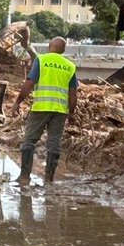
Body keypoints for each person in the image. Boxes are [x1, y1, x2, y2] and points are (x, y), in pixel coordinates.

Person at [10, 36, 78, 185]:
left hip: (41, 108)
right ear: (63, 50)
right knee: (54, 143)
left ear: (49, 46)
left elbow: (30, 82)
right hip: (60, 111)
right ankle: (49, 179)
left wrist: (17, 102)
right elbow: (73, 93)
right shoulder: (70, 66)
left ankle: (24, 177)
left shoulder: (41, 60)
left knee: (29, 141)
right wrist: (71, 113)